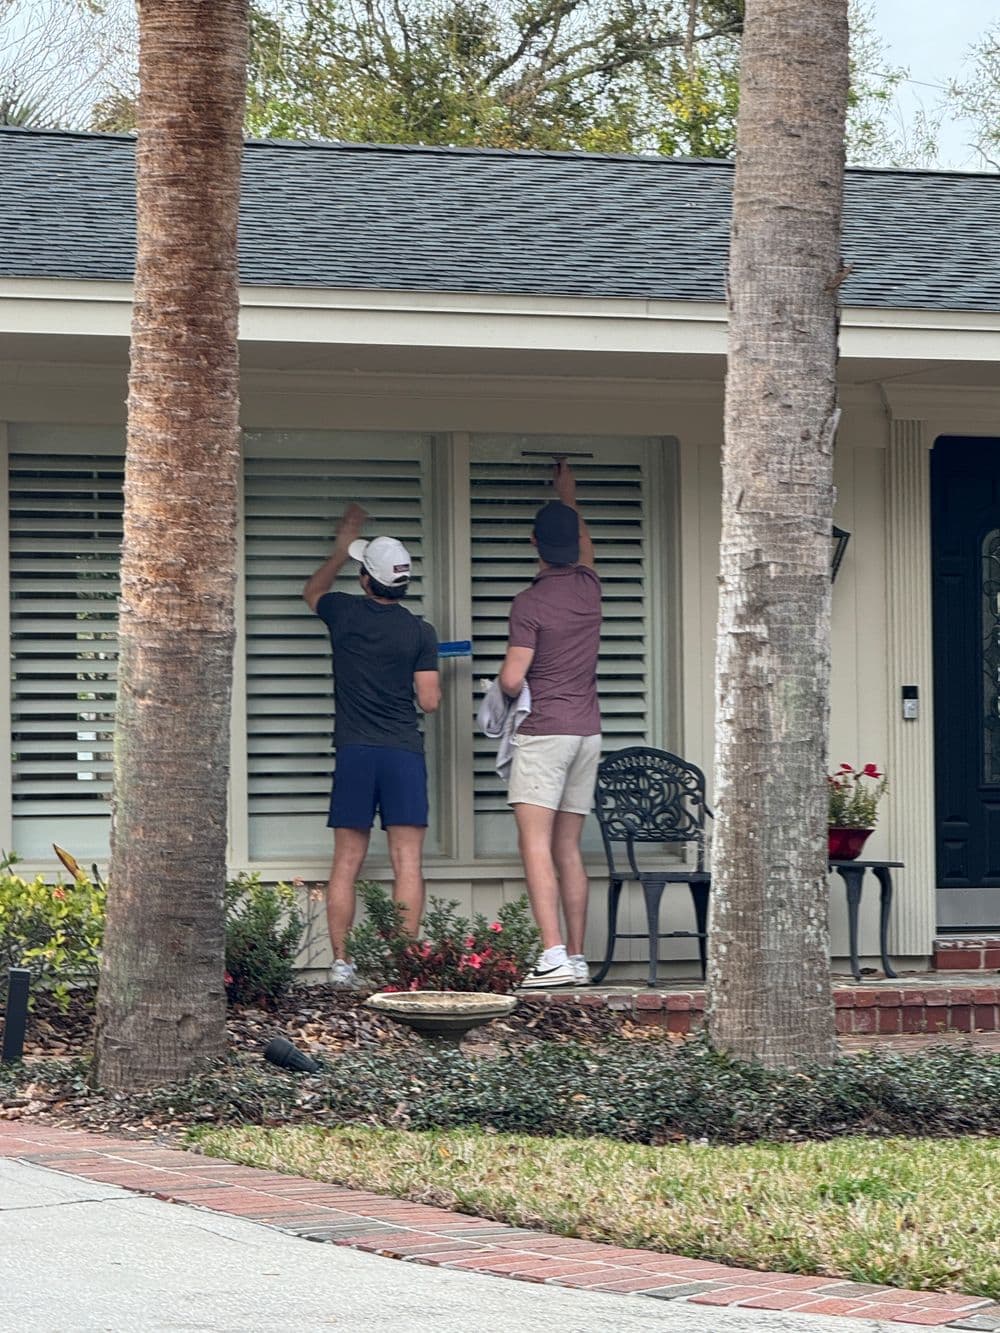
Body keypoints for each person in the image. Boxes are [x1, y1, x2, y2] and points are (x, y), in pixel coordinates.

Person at [303, 503, 441, 987]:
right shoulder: (420, 631)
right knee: (408, 861)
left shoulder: (343, 613)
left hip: (356, 751)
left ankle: (342, 964)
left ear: (366, 579)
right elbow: (429, 702)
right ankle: (405, 965)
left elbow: (313, 591)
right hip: (403, 752)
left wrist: (341, 549)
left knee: (346, 861)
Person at [498, 461, 602, 988]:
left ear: (535, 543)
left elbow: (515, 679)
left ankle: (553, 954)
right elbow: (581, 541)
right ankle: (578, 957)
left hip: (545, 733)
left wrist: (497, 678)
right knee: (568, 847)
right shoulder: (590, 587)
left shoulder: (529, 603)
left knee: (534, 844)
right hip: (588, 732)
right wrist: (569, 495)